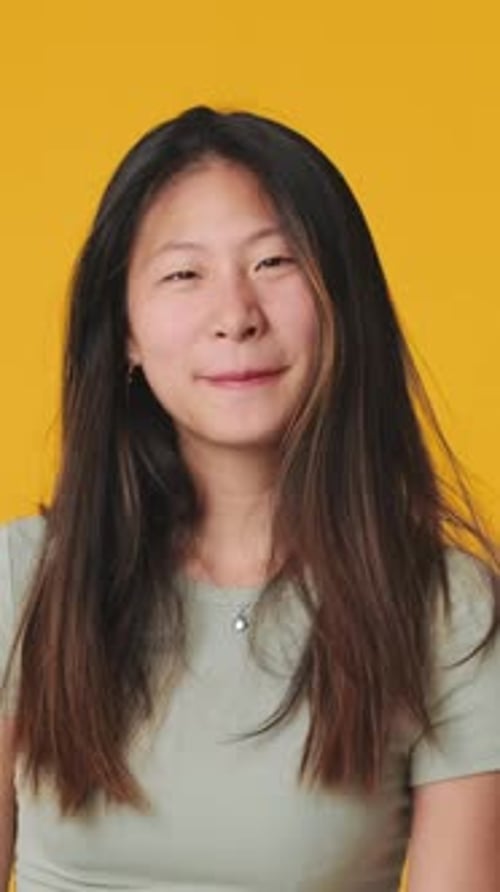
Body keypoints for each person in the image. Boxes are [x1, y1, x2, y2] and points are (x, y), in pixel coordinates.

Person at [0, 105, 499, 892]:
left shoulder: (448, 610)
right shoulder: (20, 580)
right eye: (183, 274)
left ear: (343, 303)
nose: (236, 317)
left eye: (275, 263)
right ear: (124, 329)